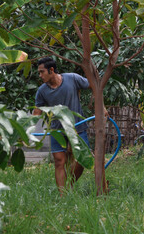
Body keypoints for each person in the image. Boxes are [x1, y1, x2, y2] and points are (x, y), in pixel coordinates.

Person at [33, 57, 92, 195]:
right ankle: (62, 196)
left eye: (42, 72)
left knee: (82, 160)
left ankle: (69, 184)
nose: (40, 75)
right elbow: (37, 111)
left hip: (77, 127)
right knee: (59, 162)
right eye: (39, 72)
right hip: (57, 130)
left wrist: (102, 107)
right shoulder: (42, 91)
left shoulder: (72, 78)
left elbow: (93, 85)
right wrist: (24, 129)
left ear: (51, 70)